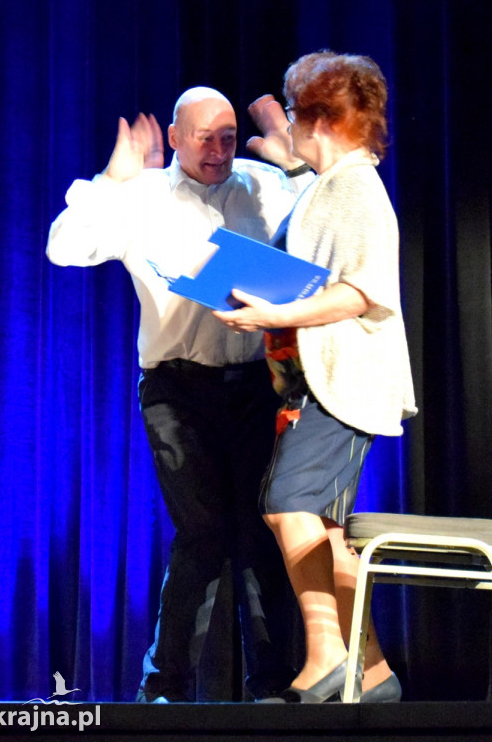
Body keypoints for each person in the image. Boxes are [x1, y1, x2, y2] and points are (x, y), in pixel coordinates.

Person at [46, 86, 312, 702]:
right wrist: (111, 181)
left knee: (260, 532)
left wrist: (295, 163)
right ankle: (164, 687)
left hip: (255, 386)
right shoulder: (140, 196)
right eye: (204, 139)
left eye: (227, 138)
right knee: (203, 529)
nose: (218, 151)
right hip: (176, 388)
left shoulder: (262, 185)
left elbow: (327, 233)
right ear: (173, 138)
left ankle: (273, 685)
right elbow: (63, 247)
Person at [214, 52, 417, 703]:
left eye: (296, 111)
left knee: (288, 504)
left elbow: (359, 291)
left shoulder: (356, 188)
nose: (290, 123)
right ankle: (373, 670)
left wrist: (272, 313)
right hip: (318, 379)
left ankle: (328, 656)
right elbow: (312, 244)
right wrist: (283, 145)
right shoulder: (330, 182)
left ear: (322, 119)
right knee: (324, 527)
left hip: (345, 381)